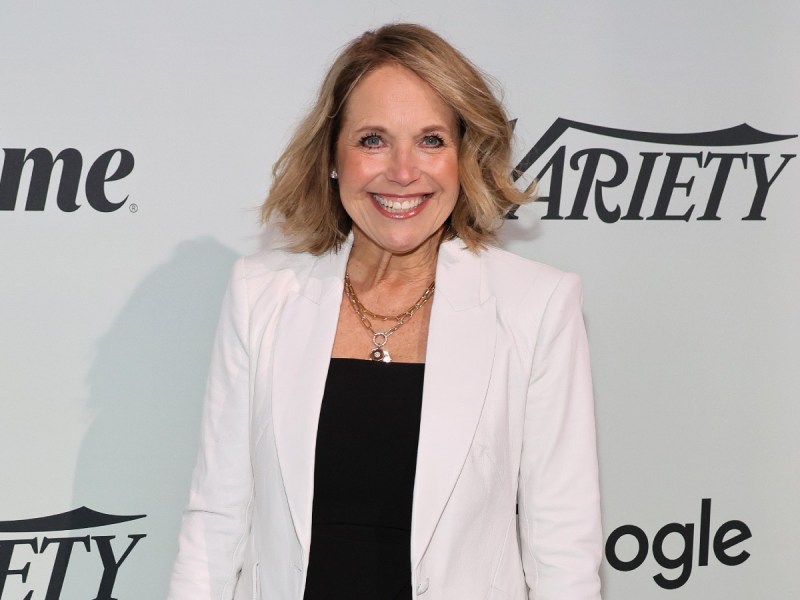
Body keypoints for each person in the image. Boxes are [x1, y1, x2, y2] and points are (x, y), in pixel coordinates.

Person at [168, 23, 602, 600]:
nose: (402, 171)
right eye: (373, 139)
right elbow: (216, 523)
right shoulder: (260, 295)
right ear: (331, 155)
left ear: (464, 157)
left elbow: (561, 552)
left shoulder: (536, 306)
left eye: (431, 140)